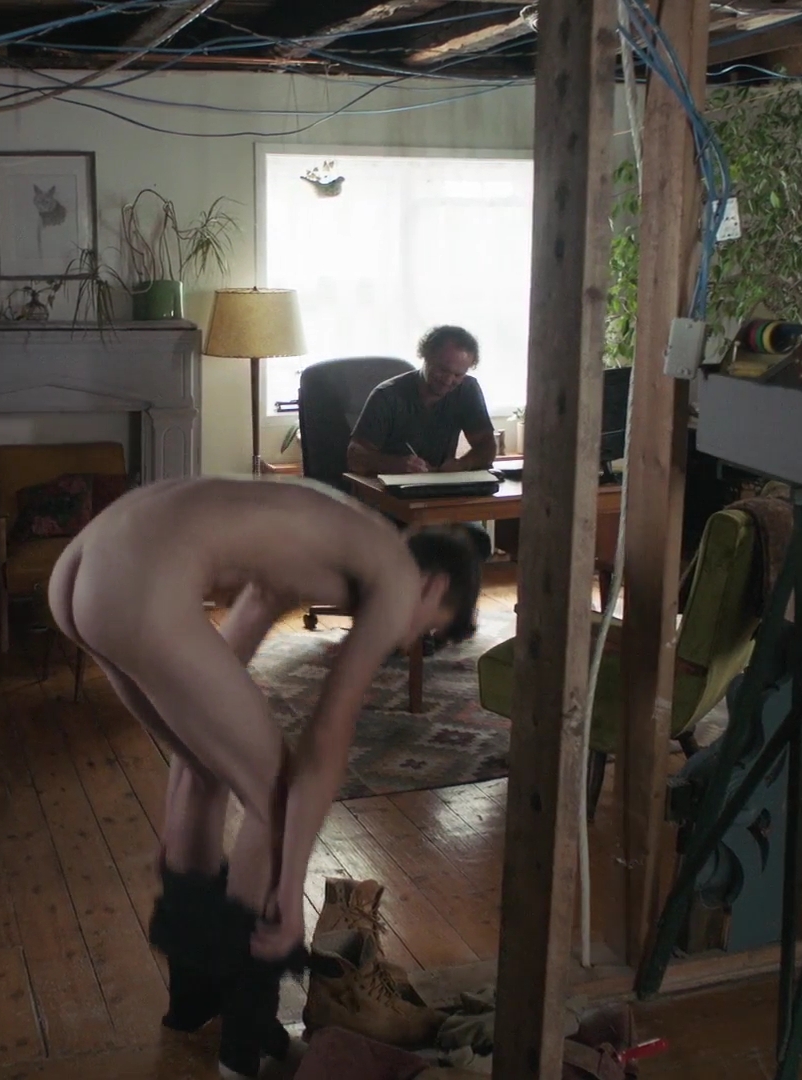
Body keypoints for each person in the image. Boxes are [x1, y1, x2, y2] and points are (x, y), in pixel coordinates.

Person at [46, 476, 491, 1079]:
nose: (411, 640)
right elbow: (328, 736)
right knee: (277, 794)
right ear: (433, 586)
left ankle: (194, 999)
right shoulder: (396, 574)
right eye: (429, 630)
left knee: (208, 764)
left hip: (85, 570)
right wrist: (287, 893)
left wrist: (182, 855)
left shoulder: (327, 537)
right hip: (136, 575)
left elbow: (235, 645)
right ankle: (246, 1044)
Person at [346, 326, 499, 476]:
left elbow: (486, 446)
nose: (448, 380)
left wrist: (462, 464)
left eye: (458, 375)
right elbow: (354, 457)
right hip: (387, 486)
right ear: (425, 356)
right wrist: (394, 464)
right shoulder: (387, 396)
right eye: (442, 370)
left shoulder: (467, 389)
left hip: (440, 484)